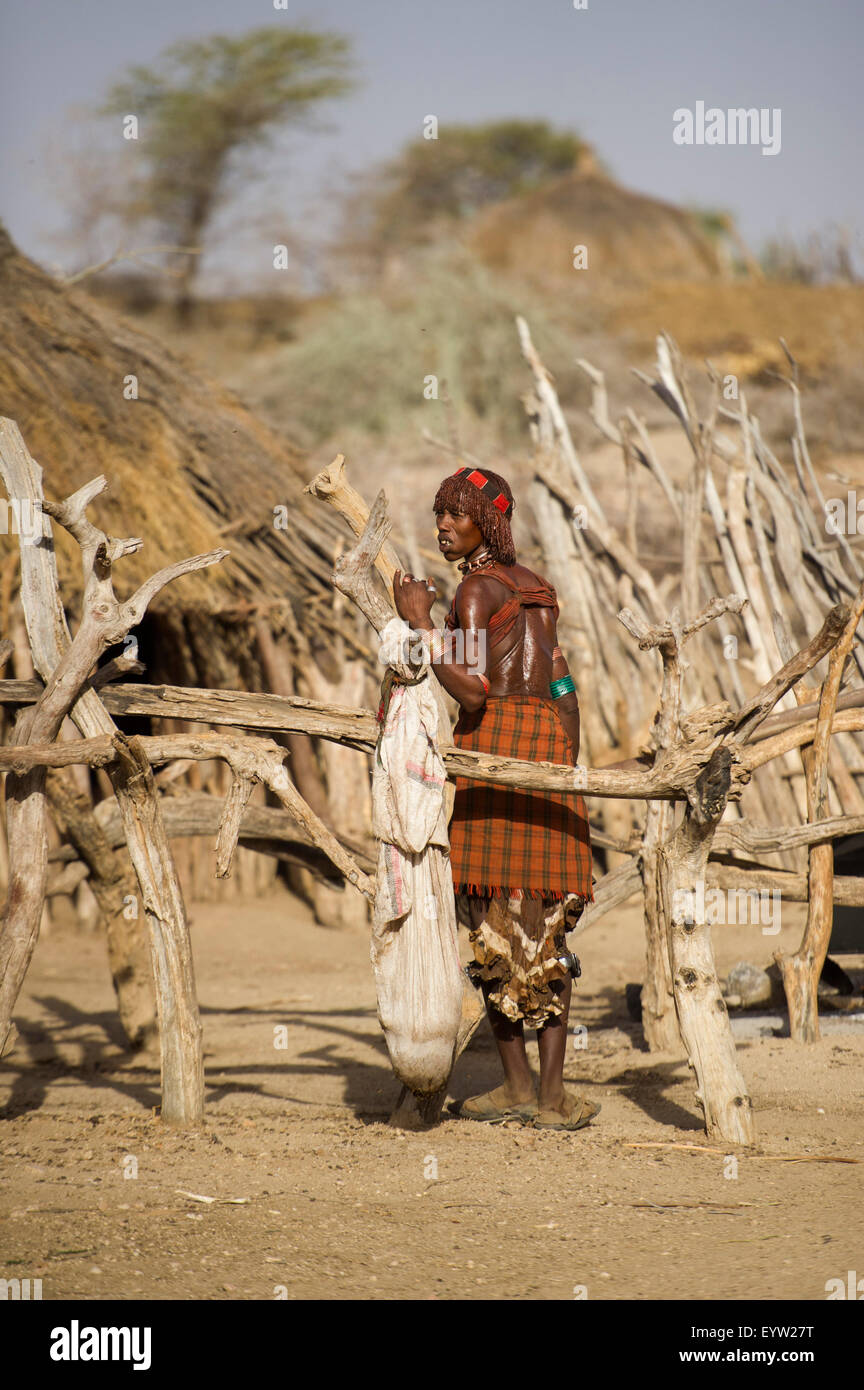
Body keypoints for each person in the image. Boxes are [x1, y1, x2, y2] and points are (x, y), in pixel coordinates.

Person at [392, 464, 599, 1131]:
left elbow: (475, 689)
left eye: (457, 513)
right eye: (440, 513)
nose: (443, 526)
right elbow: (561, 678)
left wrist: (421, 622)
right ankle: (548, 1095)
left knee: (492, 920)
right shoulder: (537, 589)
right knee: (542, 923)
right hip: (547, 742)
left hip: (497, 741)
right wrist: (565, 751)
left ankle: (523, 1088)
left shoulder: (478, 590)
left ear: (489, 522)